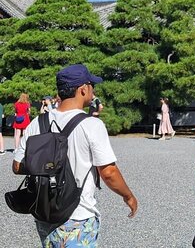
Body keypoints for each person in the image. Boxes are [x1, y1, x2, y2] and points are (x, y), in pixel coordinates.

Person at [13, 63, 137, 246]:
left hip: (44, 213)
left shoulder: (37, 122)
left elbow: (17, 166)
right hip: (78, 216)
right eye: (92, 86)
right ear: (83, 89)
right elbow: (109, 172)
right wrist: (128, 196)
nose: (93, 90)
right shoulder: (91, 125)